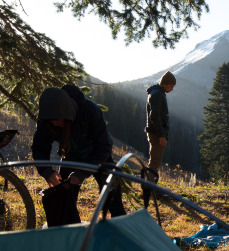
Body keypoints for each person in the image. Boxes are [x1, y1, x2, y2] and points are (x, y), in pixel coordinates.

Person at [32, 85, 126, 221]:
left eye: (57, 120)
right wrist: (46, 171)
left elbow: (104, 146)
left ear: (67, 114)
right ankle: (72, 234)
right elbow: (39, 147)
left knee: (113, 198)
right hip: (71, 156)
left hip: (99, 157)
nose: (55, 124)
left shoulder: (90, 110)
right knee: (64, 199)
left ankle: (122, 230)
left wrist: (83, 172)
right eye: (51, 122)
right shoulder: (48, 121)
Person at [145, 70, 176, 178]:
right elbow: (155, 116)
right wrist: (161, 135)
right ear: (165, 84)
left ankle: (150, 186)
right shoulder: (157, 95)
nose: (172, 89)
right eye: (171, 86)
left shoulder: (157, 93)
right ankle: (149, 188)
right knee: (155, 162)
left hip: (155, 132)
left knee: (154, 161)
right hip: (156, 134)